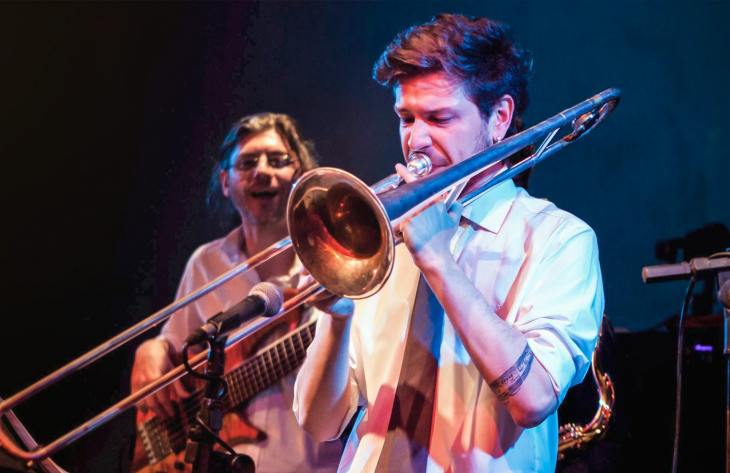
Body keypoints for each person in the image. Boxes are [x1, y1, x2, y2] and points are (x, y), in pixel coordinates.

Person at [293, 13, 604, 472]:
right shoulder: (377, 238)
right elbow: (319, 425)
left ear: (499, 117)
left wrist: (439, 260)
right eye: (406, 118)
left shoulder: (558, 239)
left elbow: (534, 398)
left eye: (439, 118)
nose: (416, 140)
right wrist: (336, 318)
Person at [130, 112, 343, 473]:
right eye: (248, 162)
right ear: (225, 182)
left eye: (278, 160)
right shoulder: (206, 264)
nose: (263, 171)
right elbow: (175, 348)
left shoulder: (334, 259)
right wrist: (152, 349)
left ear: (300, 175)